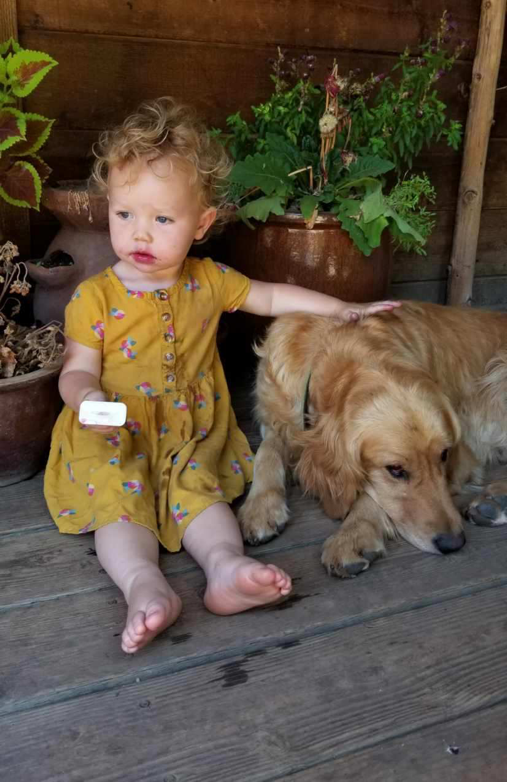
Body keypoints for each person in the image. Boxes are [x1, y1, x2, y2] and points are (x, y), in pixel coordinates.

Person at [44, 97, 400, 654]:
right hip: (112, 431)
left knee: (201, 492)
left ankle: (225, 566)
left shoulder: (208, 280)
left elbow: (272, 296)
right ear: (108, 207)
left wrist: (341, 309)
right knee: (117, 495)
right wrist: (85, 397)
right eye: (125, 215)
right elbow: (77, 369)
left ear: (202, 223)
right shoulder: (94, 297)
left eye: (162, 219)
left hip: (189, 431)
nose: (140, 234)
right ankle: (143, 584)